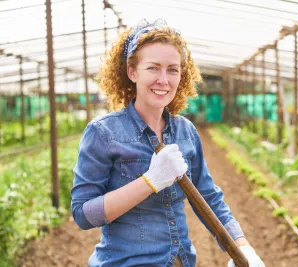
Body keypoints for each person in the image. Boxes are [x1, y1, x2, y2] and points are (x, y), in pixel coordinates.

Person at [71, 19, 265, 267]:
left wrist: (243, 247)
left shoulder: (186, 131)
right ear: (132, 72)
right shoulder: (104, 132)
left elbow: (208, 198)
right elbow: (83, 214)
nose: (164, 79)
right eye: (153, 68)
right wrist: (150, 181)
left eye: (172, 69)